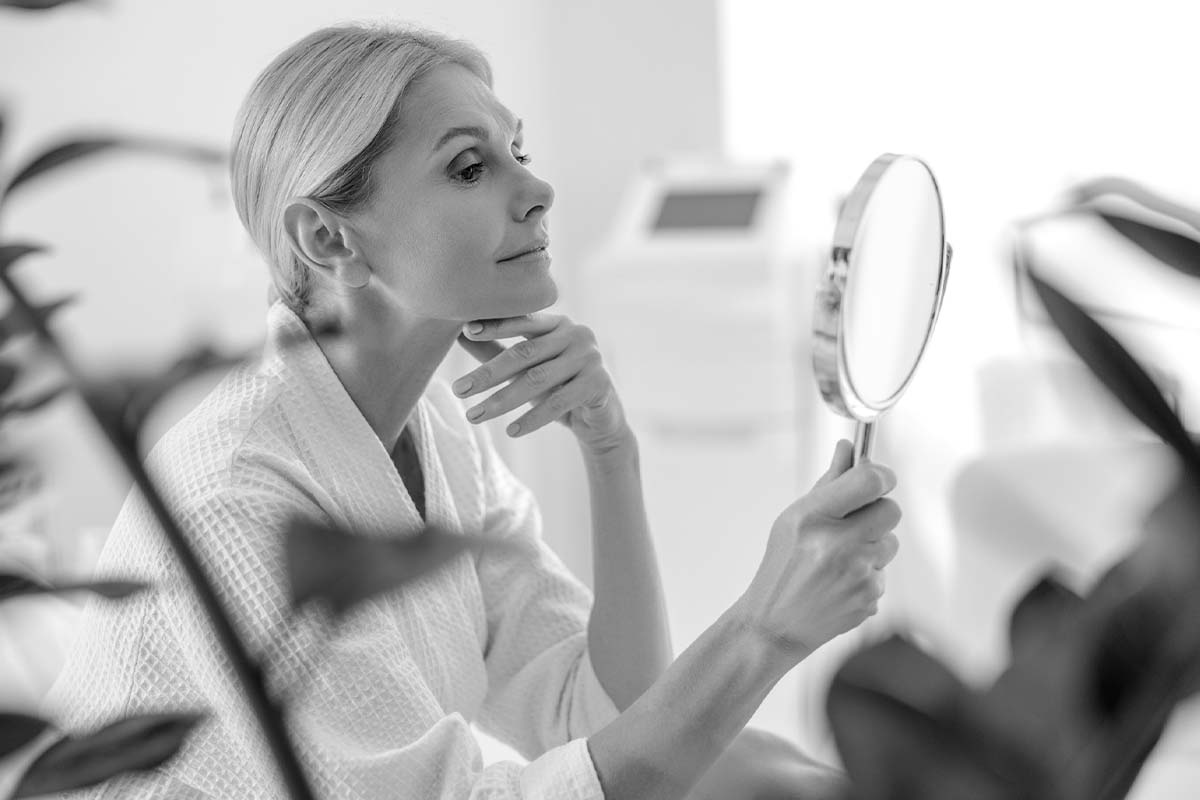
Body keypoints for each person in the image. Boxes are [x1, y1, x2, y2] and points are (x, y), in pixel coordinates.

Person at [41, 22, 901, 799]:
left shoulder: (433, 428)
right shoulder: (240, 501)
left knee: (754, 765)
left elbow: (603, 715)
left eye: (517, 150)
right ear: (329, 239)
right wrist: (764, 627)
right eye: (469, 166)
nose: (537, 190)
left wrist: (611, 451)